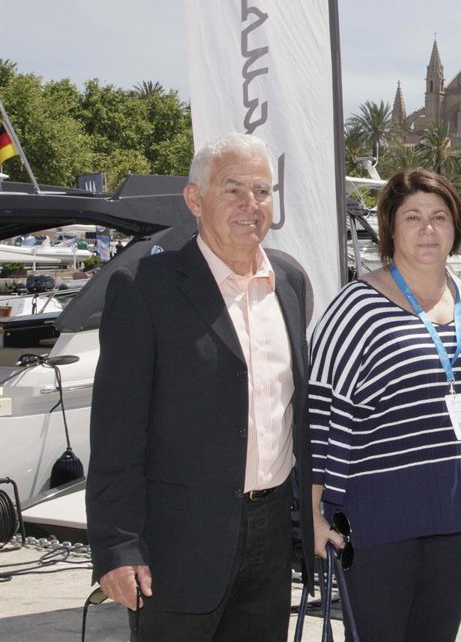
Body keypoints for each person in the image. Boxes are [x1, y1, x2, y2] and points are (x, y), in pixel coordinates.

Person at [87, 133, 314, 641]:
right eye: (233, 189)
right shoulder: (144, 288)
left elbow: (293, 412)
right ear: (195, 199)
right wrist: (116, 547)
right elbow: (116, 431)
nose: (251, 204)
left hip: (272, 539)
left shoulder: (290, 282)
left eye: (262, 190)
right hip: (177, 547)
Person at [308, 168, 461, 641]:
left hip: (460, 522)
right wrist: (311, 513)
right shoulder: (355, 309)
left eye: (439, 216)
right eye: (412, 217)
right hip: (376, 526)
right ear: (391, 229)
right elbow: (320, 417)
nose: (427, 228)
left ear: (457, 226)